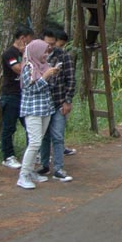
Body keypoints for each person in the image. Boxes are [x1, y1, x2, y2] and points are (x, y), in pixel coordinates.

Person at [17, 39, 60, 190]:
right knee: (34, 142)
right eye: (44, 52)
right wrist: (45, 76)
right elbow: (30, 89)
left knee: (37, 142)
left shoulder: (44, 66)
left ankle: (31, 171)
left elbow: (47, 86)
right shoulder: (28, 67)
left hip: (45, 108)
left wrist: (52, 74)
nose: (46, 55)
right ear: (36, 52)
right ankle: (23, 176)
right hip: (32, 110)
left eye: (48, 51)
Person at [37, 29, 76, 182]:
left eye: (53, 44)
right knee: (44, 137)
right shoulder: (37, 57)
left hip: (59, 102)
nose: (50, 47)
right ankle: (44, 165)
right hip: (42, 104)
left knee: (58, 136)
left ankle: (58, 168)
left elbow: (71, 79)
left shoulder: (64, 56)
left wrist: (68, 100)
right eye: (47, 43)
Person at [0, 26, 34, 169]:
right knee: (9, 127)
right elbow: (18, 69)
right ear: (22, 38)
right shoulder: (10, 53)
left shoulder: (26, 53)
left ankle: (31, 154)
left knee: (30, 126)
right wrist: (26, 56)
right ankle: (8, 156)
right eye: (29, 40)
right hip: (11, 95)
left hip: (24, 95)